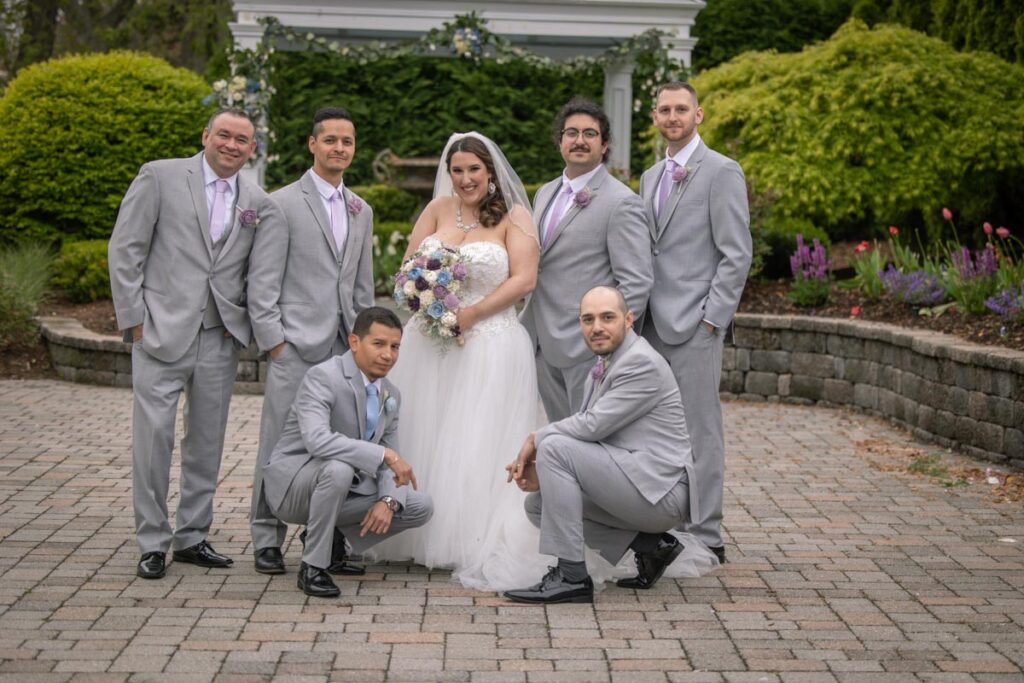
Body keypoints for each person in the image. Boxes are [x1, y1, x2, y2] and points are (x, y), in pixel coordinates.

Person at [370, 132, 554, 590]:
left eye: (474, 169)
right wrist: (424, 299)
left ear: (490, 171)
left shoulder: (515, 216)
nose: (466, 178)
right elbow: (408, 270)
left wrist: (467, 315)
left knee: (475, 438)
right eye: (457, 170)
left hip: (489, 342)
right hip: (429, 342)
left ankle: (470, 538)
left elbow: (524, 278)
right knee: (427, 431)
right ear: (448, 173)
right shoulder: (436, 211)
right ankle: (416, 530)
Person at [108, 108, 281, 579]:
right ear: (206, 135)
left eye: (242, 140)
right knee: (154, 438)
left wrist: (242, 324)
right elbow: (126, 249)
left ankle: (192, 536)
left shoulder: (257, 201)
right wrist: (135, 322)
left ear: (252, 149)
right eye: (223, 134)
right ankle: (152, 540)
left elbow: (256, 271)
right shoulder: (160, 177)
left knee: (207, 440)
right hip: (160, 331)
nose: (231, 144)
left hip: (219, 336)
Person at [504, 286, 699, 604]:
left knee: (555, 447)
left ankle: (572, 577)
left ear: (629, 319)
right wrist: (552, 476)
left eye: (608, 317)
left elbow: (592, 427)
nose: (597, 327)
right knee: (538, 506)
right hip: (635, 481)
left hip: (662, 492)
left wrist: (535, 439)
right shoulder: (608, 360)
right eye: (588, 319)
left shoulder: (640, 363)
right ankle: (650, 547)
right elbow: (591, 431)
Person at [247, 107, 376, 575]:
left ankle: (329, 540)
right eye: (331, 141)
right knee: (279, 442)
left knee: (342, 443)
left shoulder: (362, 209)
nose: (340, 148)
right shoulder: (280, 203)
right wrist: (275, 343)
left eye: (348, 141)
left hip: (345, 350)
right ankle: (266, 535)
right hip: (295, 347)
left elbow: (361, 286)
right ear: (312, 144)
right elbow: (262, 283)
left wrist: (361, 346)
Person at [640, 82, 752, 563]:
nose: (672, 116)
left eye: (680, 109)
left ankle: (707, 533)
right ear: (654, 117)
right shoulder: (649, 176)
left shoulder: (722, 171)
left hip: (695, 326)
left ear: (698, 114)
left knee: (701, 432)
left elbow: (736, 254)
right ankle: (667, 524)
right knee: (656, 431)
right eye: (664, 110)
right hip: (648, 326)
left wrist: (713, 320)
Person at [261, 307, 433, 597]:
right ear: (354, 342)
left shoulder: (391, 394)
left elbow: (391, 460)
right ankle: (313, 567)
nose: (387, 355)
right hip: (294, 488)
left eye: (394, 347)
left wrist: (389, 501)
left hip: (342, 489)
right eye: (378, 344)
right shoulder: (322, 377)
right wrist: (384, 456)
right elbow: (318, 441)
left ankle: (334, 538)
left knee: (419, 505)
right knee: (339, 469)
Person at [519, 97, 653, 422]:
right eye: (572, 132)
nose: (580, 140)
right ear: (560, 140)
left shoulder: (622, 202)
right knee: (559, 433)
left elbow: (637, 281)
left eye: (590, 134)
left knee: (591, 438)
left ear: (604, 144)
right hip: (541, 341)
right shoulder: (545, 192)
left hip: (587, 347)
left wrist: (607, 340)